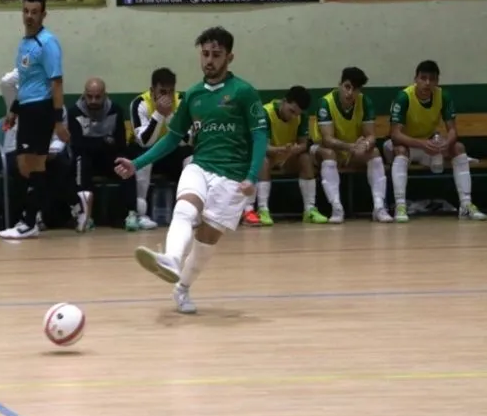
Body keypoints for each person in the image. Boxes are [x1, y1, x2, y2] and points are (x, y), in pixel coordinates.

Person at [114, 26, 267, 315]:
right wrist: (136, 164)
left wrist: (251, 176)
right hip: (200, 165)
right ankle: (171, 258)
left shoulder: (244, 92)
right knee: (184, 209)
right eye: (205, 54)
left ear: (229, 57)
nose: (209, 60)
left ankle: (182, 288)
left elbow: (260, 135)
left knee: (206, 242)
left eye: (216, 55)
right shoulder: (193, 95)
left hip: (232, 177)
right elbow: (171, 138)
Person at [0, 0, 68, 240]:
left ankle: (29, 222)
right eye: (26, 11)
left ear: (43, 14)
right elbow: (26, 82)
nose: (29, 16)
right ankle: (35, 214)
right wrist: (14, 110)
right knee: (23, 165)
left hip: (41, 109)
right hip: (26, 109)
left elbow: (56, 82)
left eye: (34, 12)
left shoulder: (47, 43)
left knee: (35, 164)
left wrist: (58, 121)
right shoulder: (25, 43)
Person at [385, 60, 485, 221]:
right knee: (400, 150)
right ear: (415, 79)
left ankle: (466, 205)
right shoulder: (403, 97)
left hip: (428, 145)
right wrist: (422, 143)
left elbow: (452, 130)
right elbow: (395, 134)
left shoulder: (443, 96)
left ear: (437, 81)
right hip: (404, 145)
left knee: (458, 148)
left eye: (432, 79)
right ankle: (400, 206)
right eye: (423, 78)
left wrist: (447, 143)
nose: (427, 83)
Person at [0, 68, 86, 231]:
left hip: (45, 152)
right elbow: (6, 82)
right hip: (15, 150)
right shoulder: (18, 99)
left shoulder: (57, 108)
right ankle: (30, 216)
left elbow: (59, 139)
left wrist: (50, 151)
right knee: (26, 168)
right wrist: (32, 67)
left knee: (60, 165)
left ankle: (75, 206)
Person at [310, 67, 391, 223]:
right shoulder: (325, 103)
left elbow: (370, 135)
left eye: (355, 89)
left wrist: (365, 144)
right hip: (324, 149)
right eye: (347, 87)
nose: (350, 93)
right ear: (340, 84)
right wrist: (351, 147)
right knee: (329, 153)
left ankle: (379, 207)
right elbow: (327, 139)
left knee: (374, 152)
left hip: (351, 150)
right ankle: (336, 207)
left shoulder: (365, 102)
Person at [242, 86, 328, 226]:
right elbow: (262, 147)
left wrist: (296, 149)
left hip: (287, 156)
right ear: (284, 101)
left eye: (297, 114)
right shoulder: (266, 113)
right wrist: (281, 150)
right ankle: (262, 209)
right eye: (291, 111)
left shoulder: (301, 116)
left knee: (305, 159)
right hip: (269, 155)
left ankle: (310, 209)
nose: (293, 117)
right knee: (262, 161)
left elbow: (304, 144)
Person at [128, 67, 193, 230]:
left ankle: (190, 212)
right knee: (142, 157)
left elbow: (187, 140)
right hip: (150, 152)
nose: (167, 97)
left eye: (170, 92)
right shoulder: (140, 104)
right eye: (162, 92)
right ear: (152, 91)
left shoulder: (182, 101)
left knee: (191, 157)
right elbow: (145, 142)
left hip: (173, 151)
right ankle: (140, 213)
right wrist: (158, 114)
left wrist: (170, 115)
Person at [68, 77, 135, 232]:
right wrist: (105, 141)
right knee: (80, 161)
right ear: (84, 95)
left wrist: (93, 143)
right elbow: (77, 145)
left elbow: (120, 144)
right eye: (89, 96)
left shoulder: (115, 110)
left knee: (126, 164)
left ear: (105, 95)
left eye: (97, 97)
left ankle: (129, 213)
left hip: (109, 158)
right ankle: (85, 215)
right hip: (86, 158)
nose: (93, 101)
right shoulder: (74, 112)